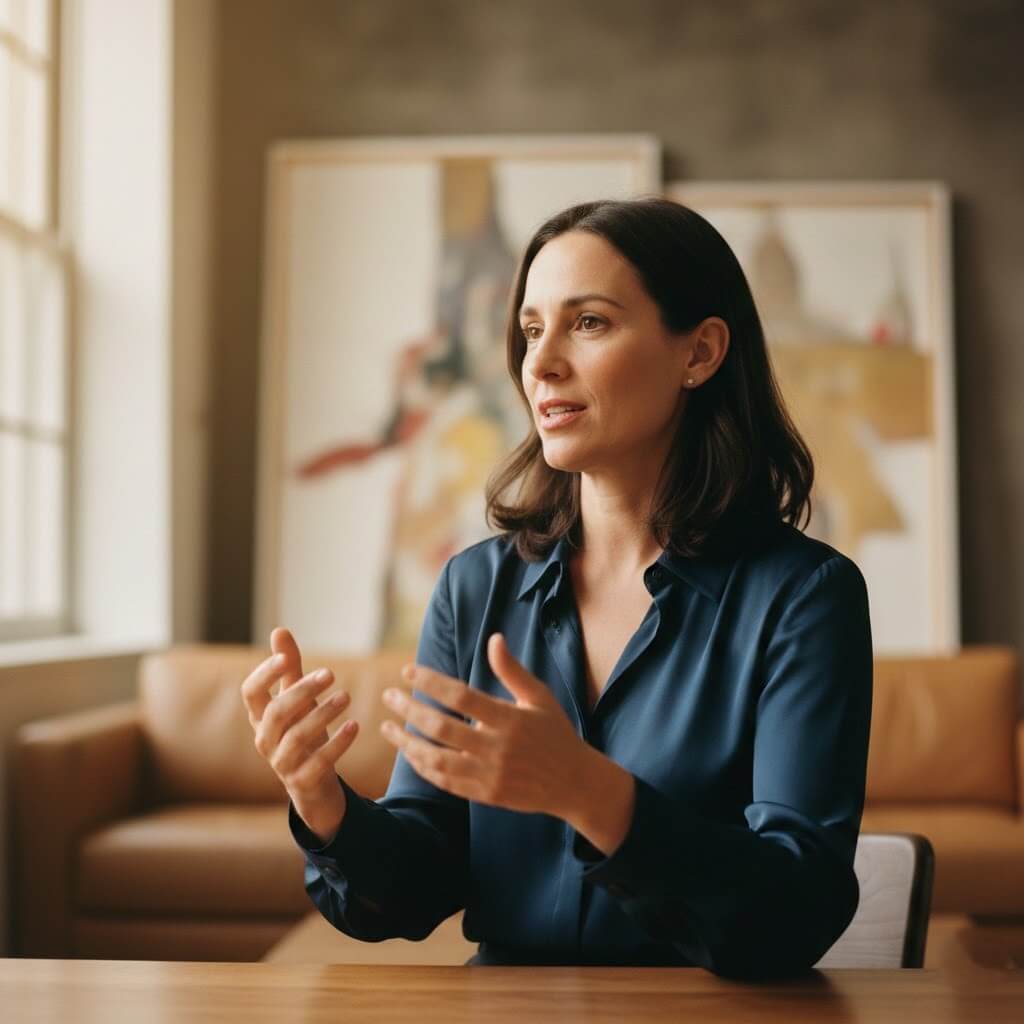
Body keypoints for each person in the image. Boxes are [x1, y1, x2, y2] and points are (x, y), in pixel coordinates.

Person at [240, 196, 873, 980]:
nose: (539, 363)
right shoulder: (474, 588)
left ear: (701, 352)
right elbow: (412, 890)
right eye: (533, 329)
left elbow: (795, 914)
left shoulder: (806, 597)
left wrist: (590, 793)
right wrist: (324, 805)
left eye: (590, 323)